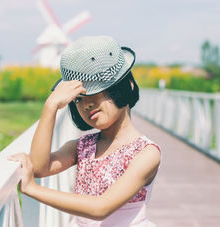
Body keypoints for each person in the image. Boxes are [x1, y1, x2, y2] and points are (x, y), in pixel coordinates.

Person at [8, 36, 161, 226]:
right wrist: (51, 107)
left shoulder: (146, 153)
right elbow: (39, 168)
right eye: (78, 98)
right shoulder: (81, 147)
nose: (87, 104)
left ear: (126, 86)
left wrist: (32, 189)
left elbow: (101, 208)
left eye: (97, 91)